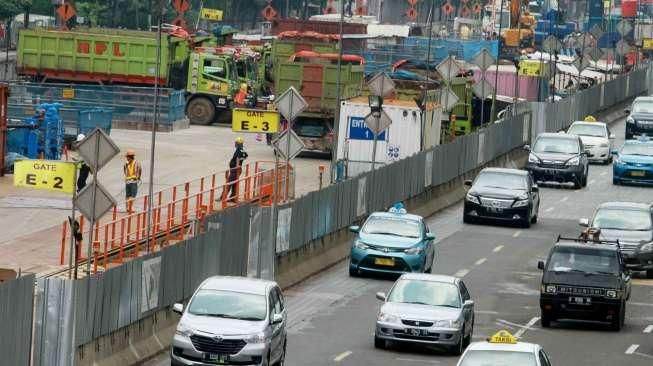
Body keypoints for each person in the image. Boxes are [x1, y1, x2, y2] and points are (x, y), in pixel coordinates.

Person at [225, 137, 248, 202]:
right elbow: (245, 156)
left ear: (238, 143)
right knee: (234, 184)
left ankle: (223, 197)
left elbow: (238, 158)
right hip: (238, 169)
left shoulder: (238, 150)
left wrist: (237, 165)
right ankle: (233, 198)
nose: (235, 144)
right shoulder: (242, 150)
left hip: (235, 170)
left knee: (229, 183)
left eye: (236, 143)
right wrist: (241, 161)